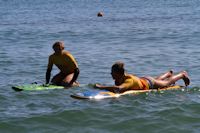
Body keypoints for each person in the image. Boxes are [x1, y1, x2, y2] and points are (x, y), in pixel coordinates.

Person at [95, 61, 190, 93]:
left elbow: (119, 89)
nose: (111, 74)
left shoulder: (128, 81)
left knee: (166, 83)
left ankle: (182, 74)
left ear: (119, 73)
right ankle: (168, 74)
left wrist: (101, 87)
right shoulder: (120, 78)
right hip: (145, 79)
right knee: (158, 80)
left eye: (112, 73)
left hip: (149, 83)